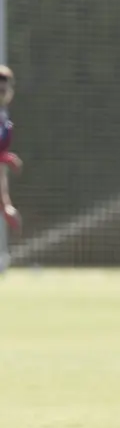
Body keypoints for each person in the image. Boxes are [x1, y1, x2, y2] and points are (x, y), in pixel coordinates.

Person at [0, 66, 22, 273]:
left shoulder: (5, 122)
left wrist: (5, 205)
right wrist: (5, 157)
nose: (2, 93)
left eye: (4, 89)